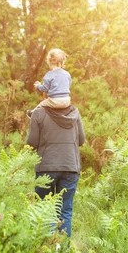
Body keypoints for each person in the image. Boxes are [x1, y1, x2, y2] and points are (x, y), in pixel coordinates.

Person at [26, 104, 85, 237]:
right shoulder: (75, 112)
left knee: (45, 209)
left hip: (45, 168)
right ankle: (63, 250)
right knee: (65, 210)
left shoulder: (38, 113)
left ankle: (47, 250)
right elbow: (81, 140)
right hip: (70, 167)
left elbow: (31, 143)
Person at [26, 48, 71, 118]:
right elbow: (68, 85)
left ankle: (32, 114)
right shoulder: (67, 74)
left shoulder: (49, 75)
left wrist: (38, 86)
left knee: (42, 104)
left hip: (55, 102)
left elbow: (44, 88)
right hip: (67, 101)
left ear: (50, 61)